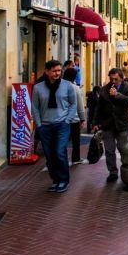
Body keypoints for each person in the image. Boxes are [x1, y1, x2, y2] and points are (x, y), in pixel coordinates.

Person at [32, 60, 76, 193]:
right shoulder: (38, 88)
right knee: (50, 155)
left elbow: (73, 104)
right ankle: (55, 179)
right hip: (45, 126)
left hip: (62, 124)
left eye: (59, 70)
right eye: (54, 71)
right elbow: (35, 107)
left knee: (59, 151)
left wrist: (68, 120)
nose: (57, 73)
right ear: (46, 71)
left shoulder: (67, 86)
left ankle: (63, 180)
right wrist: (39, 124)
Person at [92, 68, 128, 183]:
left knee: (123, 148)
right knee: (109, 150)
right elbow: (99, 107)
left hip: (122, 124)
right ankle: (113, 173)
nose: (113, 81)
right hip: (108, 124)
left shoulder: (127, 88)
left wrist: (117, 95)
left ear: (121, 78)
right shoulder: (104, 89)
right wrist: (95, 122)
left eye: (116, 79)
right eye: (111, 79)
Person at [62, 67, 86, 166]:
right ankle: (75, 158)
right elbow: (79, 105)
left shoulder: (59, 86)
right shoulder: (75, 88)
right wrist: (82, 118)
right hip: (73, 118)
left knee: (62, 140)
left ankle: (61, 158)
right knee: (76, 140)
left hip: (61, 118)